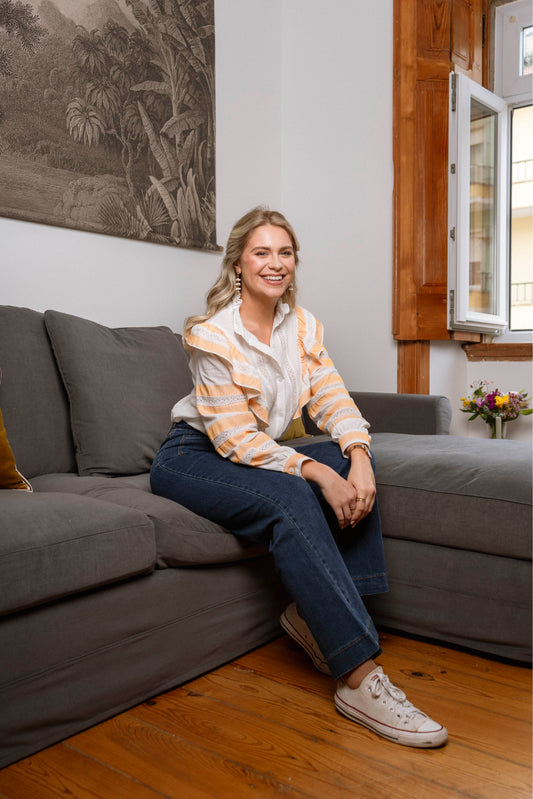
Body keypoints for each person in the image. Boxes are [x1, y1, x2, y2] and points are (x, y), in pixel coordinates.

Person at [150, 207, 448, 748]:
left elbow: (333, 397)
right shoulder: (212, 336)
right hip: (192, 455)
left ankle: (321, 619)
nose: (275, 263)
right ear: (238, 264)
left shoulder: (302, 325)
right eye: (261, 252)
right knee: (293, 493)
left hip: (251, 449)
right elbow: (236, 441)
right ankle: (358, 677)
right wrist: (312, 470)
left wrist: (357, 456)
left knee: (350, 458)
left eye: (284, 253)